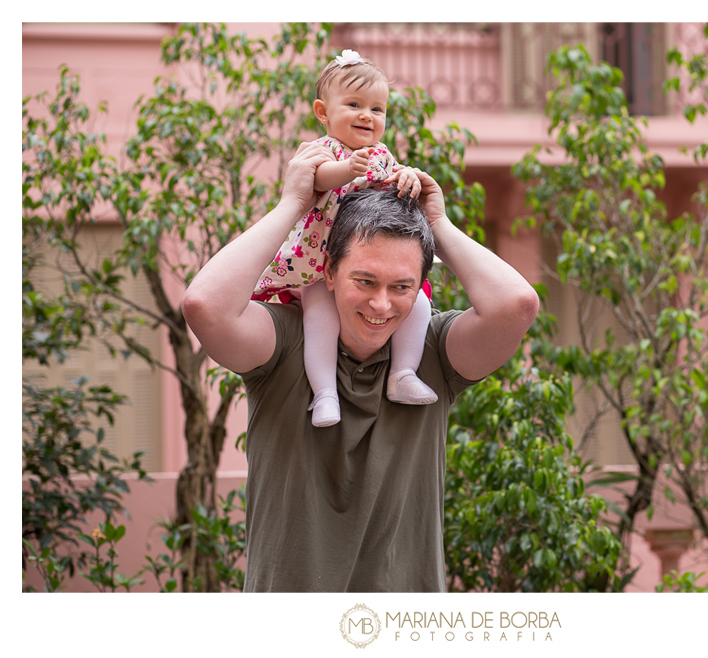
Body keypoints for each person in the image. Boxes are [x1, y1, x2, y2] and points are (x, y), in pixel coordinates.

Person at [182, 141, 540, 592]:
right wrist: (292, 205)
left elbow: (517, 304)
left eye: (402, 286)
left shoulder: (433, 352)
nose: (381, 303)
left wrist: (438, 224)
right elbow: (203, 306)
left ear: (421, 286)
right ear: (329, 272)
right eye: (365, 281)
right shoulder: (285, 343)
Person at [251, 49, 435, 427]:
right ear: (323, 112)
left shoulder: (381, 154)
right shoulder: (323, 151)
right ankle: (324, 394)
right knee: (320, 314)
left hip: (366, 258)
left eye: (377, 109)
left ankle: (403, 373)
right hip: (319, 262)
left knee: (417, 303)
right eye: (354, 104)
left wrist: (409, 178)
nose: (367, 115)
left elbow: (395, 178)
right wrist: (344, 169)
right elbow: (317, 181)